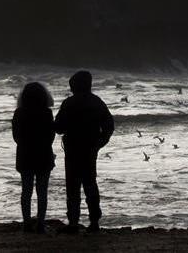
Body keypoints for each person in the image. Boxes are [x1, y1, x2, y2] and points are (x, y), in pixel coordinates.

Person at [53, 70, 114, 232]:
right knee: (90, 185)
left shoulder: (69, 103)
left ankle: (73, 222)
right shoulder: (97, 102)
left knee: (73, 187)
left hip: (73, 149)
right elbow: (109, 125)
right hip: (90, 149)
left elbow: (58, 127)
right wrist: (101, 142)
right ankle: (94, 222)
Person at [11, 81, 56, 233]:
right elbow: (51, 137)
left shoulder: (19, 113)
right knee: (42, 191)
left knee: (26, 191)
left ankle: (26, 224)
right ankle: (41, 224)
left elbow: (16, 137)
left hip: (25, 156)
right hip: (43, 155)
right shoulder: (47, 113)